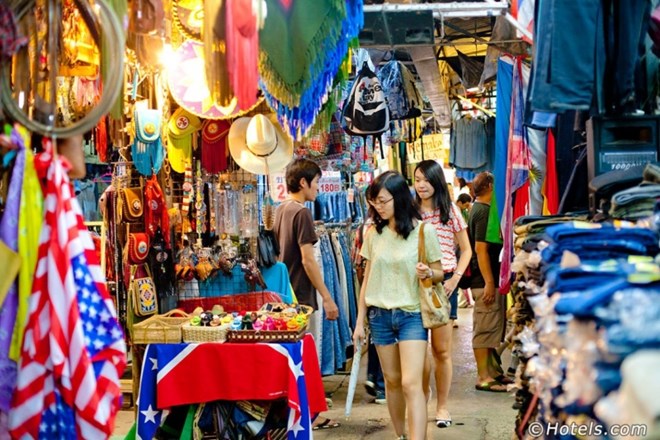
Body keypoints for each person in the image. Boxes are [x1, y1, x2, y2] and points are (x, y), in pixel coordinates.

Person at [353, 170, 444, 440]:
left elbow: (440, 271)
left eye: (382, 201)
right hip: (380, 316)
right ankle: (401, 435)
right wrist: (360, 321)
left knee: (410, 382)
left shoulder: (423, 232)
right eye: (374, 202)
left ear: (400, 198)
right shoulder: (373, 234)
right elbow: (366, 281)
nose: (378, 207)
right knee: (392, 382)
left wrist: (429, 273)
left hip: (412, 314)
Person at [272, 158, 341, 430]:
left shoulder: (281, 210)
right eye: (316, 183)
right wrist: (327, 296)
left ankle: (295, 412)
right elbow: (308, 260)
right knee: (304, 360)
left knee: (291, 359)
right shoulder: (301, 213)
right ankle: (309, 415)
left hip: (283, 294)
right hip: (301, 295)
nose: (318, 189)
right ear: (303, 182)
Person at [413, 160, 472, 429]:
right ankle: (420, 400)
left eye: (426, 179)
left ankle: (442, 406)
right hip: (413, 284)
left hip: (444, 283)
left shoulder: (451, 212)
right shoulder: (409, 213)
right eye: (416, 180)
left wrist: (455, 280)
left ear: (436, 181)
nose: (421, 185)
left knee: (441, 350)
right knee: (416, 349)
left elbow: (466, 250)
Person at [467, 171, 507, 392]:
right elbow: (480, 250)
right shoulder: (482, 212)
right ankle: (483, 376)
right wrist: (490, 282)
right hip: (484, 281)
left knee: (491, 327)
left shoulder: (481, 210)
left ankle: (493, 373)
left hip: (487, 279)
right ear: (490, 186)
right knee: (484, 329)